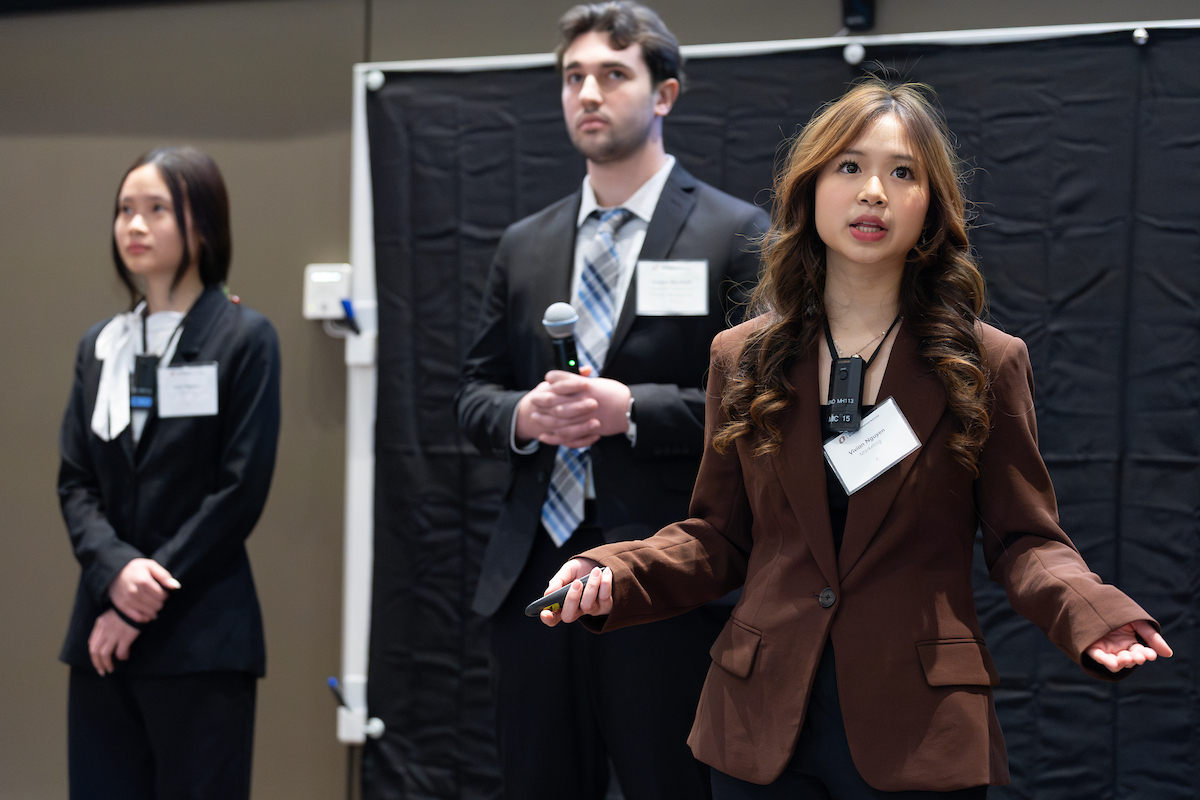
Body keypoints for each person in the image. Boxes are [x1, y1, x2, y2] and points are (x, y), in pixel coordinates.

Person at [540, 77, 1173, 798]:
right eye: (849, 167)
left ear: (929, 207)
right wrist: (616, 573)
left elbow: (1024, 540)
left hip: (920, 723)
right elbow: (718, 537)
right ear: (809, 191)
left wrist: (1090, 613)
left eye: (902, 172)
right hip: (758, 723)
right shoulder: (741, 356)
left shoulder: (986, 361)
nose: (873, 191)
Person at [454, 3, 769, 797]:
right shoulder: (524, 243)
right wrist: (523, 417)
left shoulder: (735, 233)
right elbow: (471, 396)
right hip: (535, 574)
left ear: (663, 94)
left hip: (667, 576)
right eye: (573, 77)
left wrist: (633, 409)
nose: (587, 92)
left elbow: (764, 409)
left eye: (612, 74)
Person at [58, 146, 281, 800]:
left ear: (202, 225)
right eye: (125, 209)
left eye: (157, 209)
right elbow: (75, 482)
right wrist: (116, 574)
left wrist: (144, 594)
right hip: (101, 635)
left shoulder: (244, 338)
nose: (134, 224)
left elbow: (239, 490)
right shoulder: (100, 346)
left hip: (201, 638)